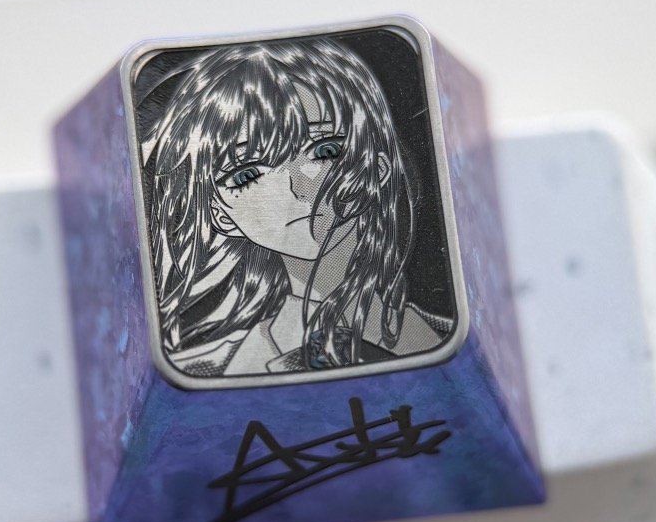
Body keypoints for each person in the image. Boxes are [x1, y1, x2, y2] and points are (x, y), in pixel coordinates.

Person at [139, 34, 451, 378]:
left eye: (323, 150)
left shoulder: (445, 337)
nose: (294, 186)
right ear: (220, 213)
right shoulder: (205, 371)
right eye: (246, 173)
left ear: (376, 169)